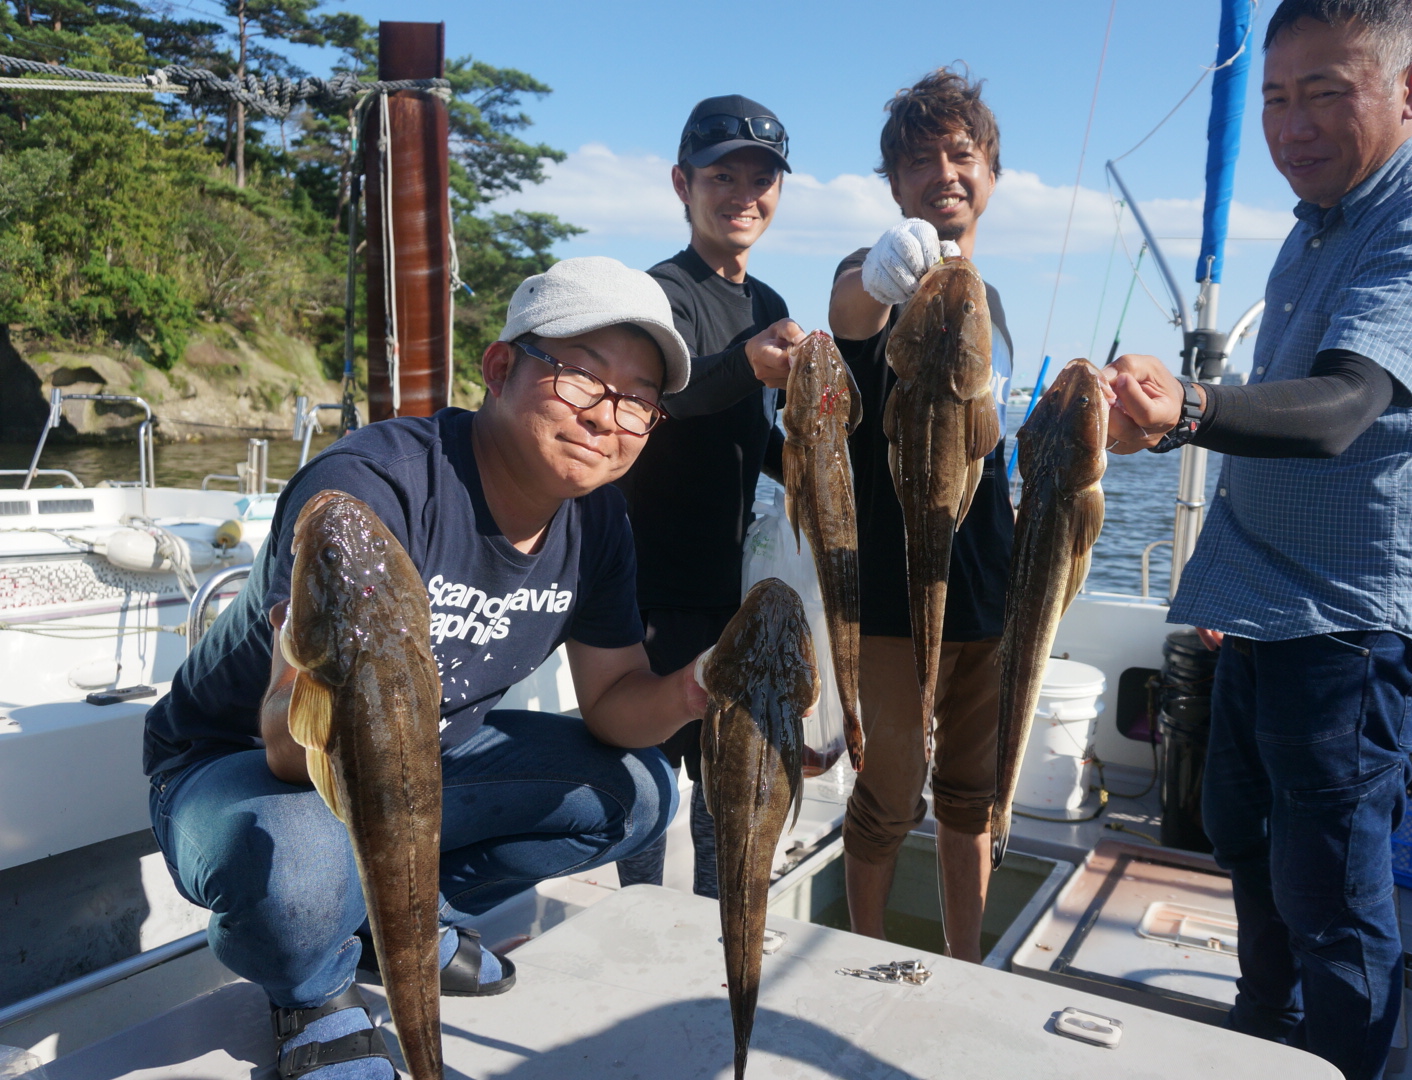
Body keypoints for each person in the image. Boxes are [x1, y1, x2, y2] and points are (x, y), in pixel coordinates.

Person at [143, 257, 709, 1080]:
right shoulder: (365, 490)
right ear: (500, 367)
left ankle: (392, 918)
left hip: (426, 759)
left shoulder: (598, 522)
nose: (607, 416)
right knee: (300, 869)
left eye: (640, 399)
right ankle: (315, 995)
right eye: (585, 376)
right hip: (249, 767)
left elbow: (615, 702)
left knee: (642, 793)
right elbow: (278, 740)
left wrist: (697, 688)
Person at [1102, 3, 1412, 1077]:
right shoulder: (1316, 223)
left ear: (1410, 88)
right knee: (1244, 842)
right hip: (1260, 604)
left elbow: (1337, 407)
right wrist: (1169, 426)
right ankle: (1259, 1031)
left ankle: (1336, 1066)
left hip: (1353, 628)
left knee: (1331, 895)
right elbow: (1277, 407)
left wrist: (1186, 410)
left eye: (1325, 93)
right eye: (1275, 99)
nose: (1290, 127)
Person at [826, 68, 1015, 964]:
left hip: (987, 587)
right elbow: (849, 310)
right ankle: (867, 954)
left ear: (991, 172)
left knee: (970, 794)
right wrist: (878, 273)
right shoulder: (882, 273)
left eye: (960, 152)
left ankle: (964, 960)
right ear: (893, 185)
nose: (943, 170)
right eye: (918, 159)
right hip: (896, 596)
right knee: (891, 791)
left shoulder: (996, 300)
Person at [613, 94, 804, 896]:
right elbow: (670, 397)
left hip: (732, 589)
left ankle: (709, 936)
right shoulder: (662, 292)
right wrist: (747, 365)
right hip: (651, 587)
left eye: (761, 178)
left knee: (723, 782)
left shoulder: (769, 307)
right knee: (645, 788)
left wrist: (825, 481)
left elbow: (755, 437)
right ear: (681, 184)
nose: (743, 194)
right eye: (722, 174)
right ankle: (637, 919)